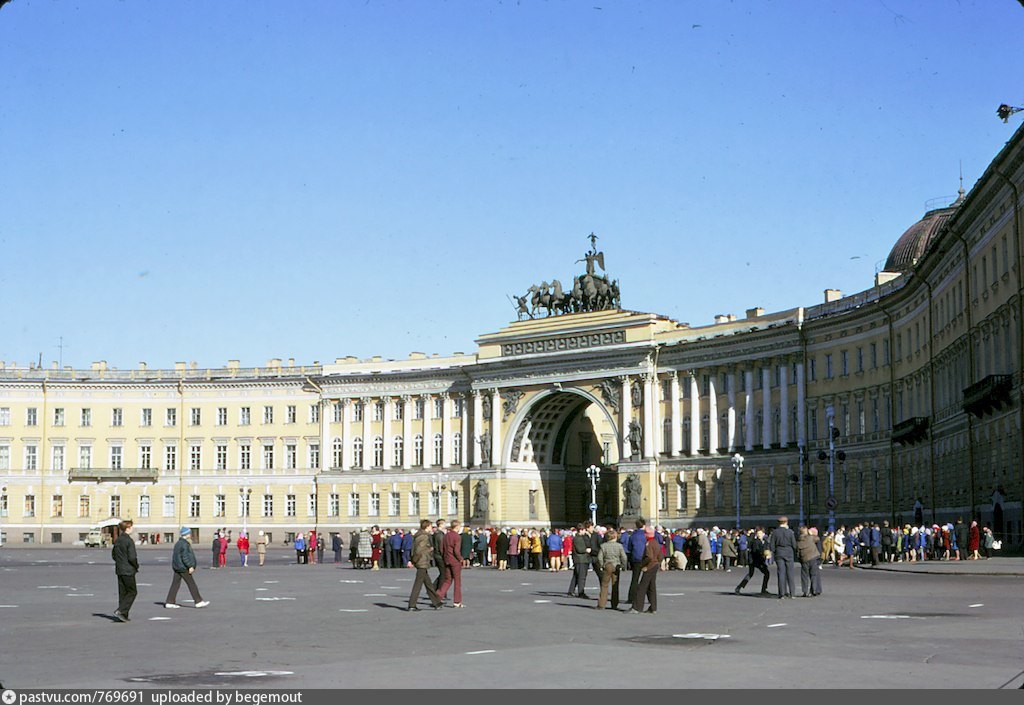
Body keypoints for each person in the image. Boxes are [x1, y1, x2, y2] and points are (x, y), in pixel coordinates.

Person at [165, 527, 210, 609]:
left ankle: (169, 601)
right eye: (189, 533)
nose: (190, 534)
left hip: (177, 567)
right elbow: (185, 557)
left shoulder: (178, 543)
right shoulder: (184, 544)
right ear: (186, 534)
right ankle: (198, 601)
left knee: (175, 585)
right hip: (183, 568)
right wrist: (190, 566)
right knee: (191, 584)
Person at [406, 520, 443, 611]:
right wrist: (429, 550)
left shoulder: (419, 535)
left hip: (420, 561)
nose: (432, 528)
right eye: (430, 526)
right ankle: (412, 604)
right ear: (427, 526)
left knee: (428, 584)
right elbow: (419, 550)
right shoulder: (424, 536)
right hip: (422, 561)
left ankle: (436, 602)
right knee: (418, 584)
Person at [111, 520, 139, 622]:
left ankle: (123, 615)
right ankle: (121, 610)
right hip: (128, 570)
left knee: (123, 593)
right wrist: (136, 566)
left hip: (119, 569)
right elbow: (132, 557)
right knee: (132, 592)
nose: (132, 529)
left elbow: (113, 555)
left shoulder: (118, 540)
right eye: (131, 527)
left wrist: (120, 562)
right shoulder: (129, 541)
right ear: (127, 528)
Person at [628, 526, 660, 614]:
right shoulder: (655, 542)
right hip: (655, 565)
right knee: (651, 587)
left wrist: (644, 565)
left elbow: (649, 557)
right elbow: (660, 555)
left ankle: (637, 607)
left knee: (642, 587)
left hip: (650, 566)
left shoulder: (649, 543)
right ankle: (653, 607)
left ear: (647, 534)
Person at [596, 529, 628, 610]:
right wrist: (624, 566)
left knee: (604, 585)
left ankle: (601, 604)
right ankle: (614, 604)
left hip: (607, 565)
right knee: (615, 585)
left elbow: (599, 557)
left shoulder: (603, 546)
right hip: (616, 565)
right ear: (615, 537)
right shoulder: (619, 546)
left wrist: (602, 565)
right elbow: (624, 557)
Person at [438, 519, 465, 608]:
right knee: (457, 581)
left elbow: (441, 549)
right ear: (457, 527)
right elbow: (456, 551)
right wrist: (460, 558)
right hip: (455, 561)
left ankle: (438, 595)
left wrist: (444, 557)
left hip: (447, 559)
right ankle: (457, 601)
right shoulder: (457, 536)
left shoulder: (446, 535)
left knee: (448, 580)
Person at [735, 527, 771, 595]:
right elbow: (756, 550)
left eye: (760, 533)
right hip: (754, 560)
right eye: (758, 533)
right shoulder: (755, 541)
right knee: (751, 574)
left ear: (764, 534)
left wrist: (768, 553)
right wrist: (765, 553)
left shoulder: (765, 541)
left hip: (760, 560)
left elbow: (767, 548)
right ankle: (739, 587)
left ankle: (764, 589)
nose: (759, 535)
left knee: (766, 573)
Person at [768, 517, 797, 599]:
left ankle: (782, 593)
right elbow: (794, 545)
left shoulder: (775, 532)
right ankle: (792, 593)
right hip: (789, 553)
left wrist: (773, 551)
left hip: (779, 553)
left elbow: (772, 546)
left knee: (781, 573)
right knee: (790, 573)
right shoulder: (790, 532)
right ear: (786, 522)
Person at [567, 523, 593, 599]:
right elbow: (580, 549)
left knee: (576, 576)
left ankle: (571, 591)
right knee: (581, 577)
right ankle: (581, 592)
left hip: (579, 559)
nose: (585, 531)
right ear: (581, 530)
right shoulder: (578, 538)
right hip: (581, 559)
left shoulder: (579, 537)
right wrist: (587, 550)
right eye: (584, 530)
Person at [796, 526, 822, 597]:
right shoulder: (811, 538)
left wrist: (800, 560)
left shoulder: (798, 541)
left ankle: (805, 591)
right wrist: (811, 534)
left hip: (804, 559)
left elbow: (797, 553)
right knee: (813, 575)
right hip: (813, 558)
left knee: (804, 576)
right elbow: (818, 538)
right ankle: (814, 590)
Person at [431, 519, 447, 586]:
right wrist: (444, 555)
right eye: (444, 524)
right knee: (443, 574)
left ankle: (434, 589)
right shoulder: (440, 534)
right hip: (440, 556)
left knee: (443, 573)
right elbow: (441, 546)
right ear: (441, 525)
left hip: (437, 555)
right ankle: (439, 590)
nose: (445, 525)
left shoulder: (437, 533)